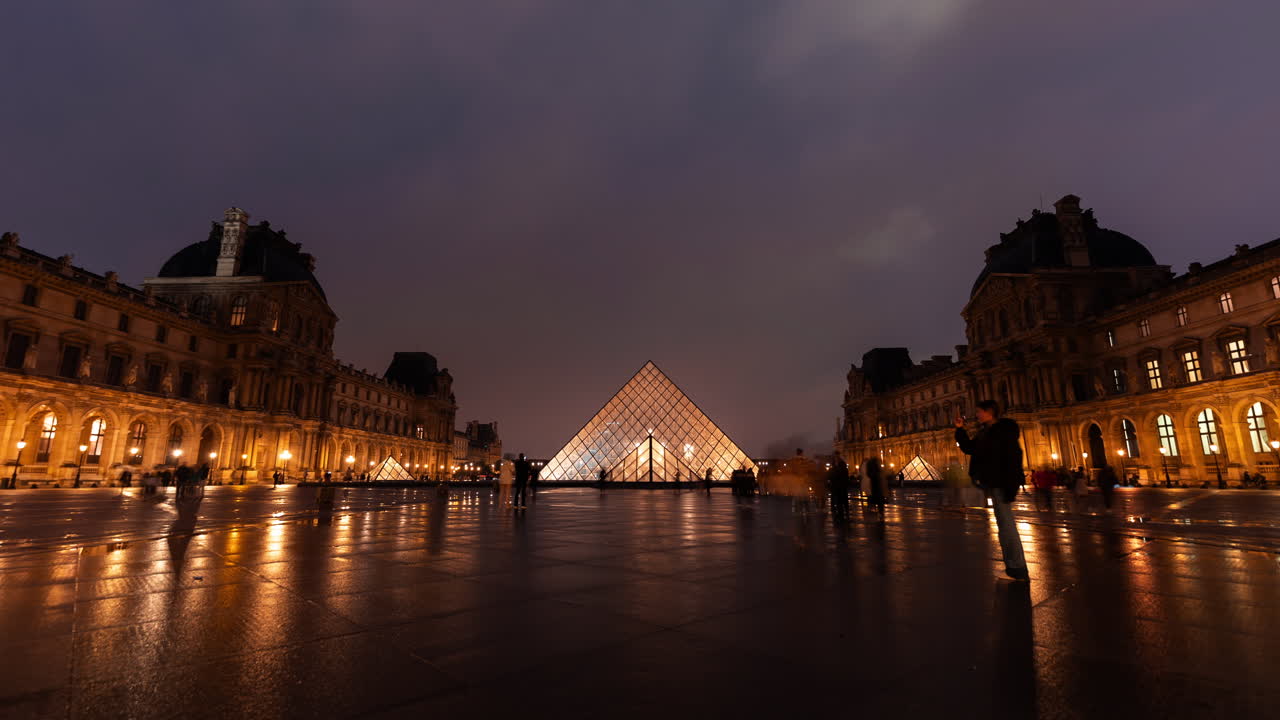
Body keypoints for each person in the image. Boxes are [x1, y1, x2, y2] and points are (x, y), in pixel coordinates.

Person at [955, 400, 1028, 582]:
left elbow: (1014, 457)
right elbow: (970, 448)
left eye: (979, 411)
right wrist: (960, 430)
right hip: (995, 482)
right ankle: (1014, 567)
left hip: (1001, 483)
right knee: (1004, 525)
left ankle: (1017, 568)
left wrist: (1011, 485)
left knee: (1006, 526)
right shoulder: (986, 432)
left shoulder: (1002, 432)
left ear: (989, 412)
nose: (976, 415)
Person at [827, 458, 850, 524]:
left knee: (838, 502)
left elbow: (830, 478)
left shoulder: (833, 470)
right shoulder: (845, 470)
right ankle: (846, 514)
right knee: (845, 502)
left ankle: (840, 515)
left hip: (836, 488)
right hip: (843, 488)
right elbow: (846, 479)